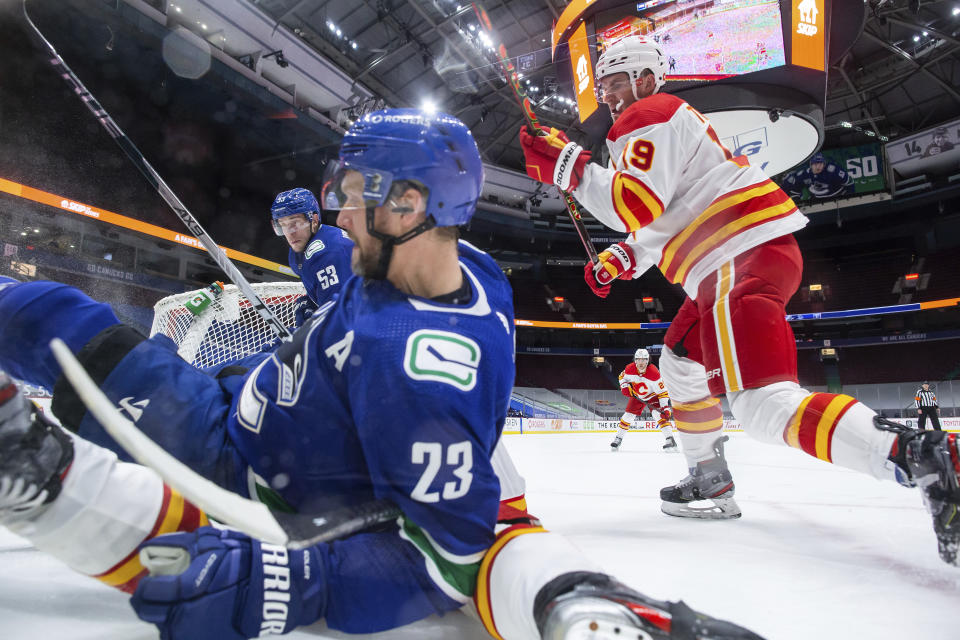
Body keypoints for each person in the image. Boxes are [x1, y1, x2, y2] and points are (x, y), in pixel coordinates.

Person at [0, 109, 764, 640]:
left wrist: (299, 584)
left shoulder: (420, 369)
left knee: (52, 329)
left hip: (234, 458)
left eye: (355, 194)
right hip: (254, 397)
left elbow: (444, 564)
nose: (339, 213)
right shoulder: (469, 268)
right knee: (54, 315)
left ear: (411, 205)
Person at [517, 35, 960, 563]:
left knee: (763, 405)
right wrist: (623, 258)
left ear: (642, 78)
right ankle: (710, 478)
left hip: (733, 256)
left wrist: (568, 166)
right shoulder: (663, 122)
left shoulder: (648, 112)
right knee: (678, 363)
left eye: (613, 83)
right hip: (733, 255)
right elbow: (665, 217)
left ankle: (917, 455)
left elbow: (635, 202)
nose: (608, 97)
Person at [270, 187, 354, 326]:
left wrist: (297, 338)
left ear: (314, 220)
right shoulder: (298, 253)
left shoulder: (328, 254)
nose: (289, 233)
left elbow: (339, 323)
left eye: (295, 223)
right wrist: (314, 302)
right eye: (283, 225)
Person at [611, 347, 678, 453]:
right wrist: (624, 386)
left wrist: (665, 407)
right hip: (638, 395)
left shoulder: (654, 373)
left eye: (643, 359)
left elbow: (662, 392)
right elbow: (621, 376)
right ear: (635, 360)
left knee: (658, 414)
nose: (640, 362)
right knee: (628, 416)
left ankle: (670, 439)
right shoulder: (629, 369)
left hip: (653, 396)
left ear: (647, 360)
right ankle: (618, 438)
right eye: (638, 359)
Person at [781, 152, 854, 200]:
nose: (818, 166)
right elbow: (795, 191)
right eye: (815, 164)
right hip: (818, 200)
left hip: (838, 197)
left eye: (820, 163)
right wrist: (797, 201)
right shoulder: (804, 175)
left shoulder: (833, 170)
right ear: (811, 165)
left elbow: (849, 182)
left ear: (824, 164)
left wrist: (848, 198)